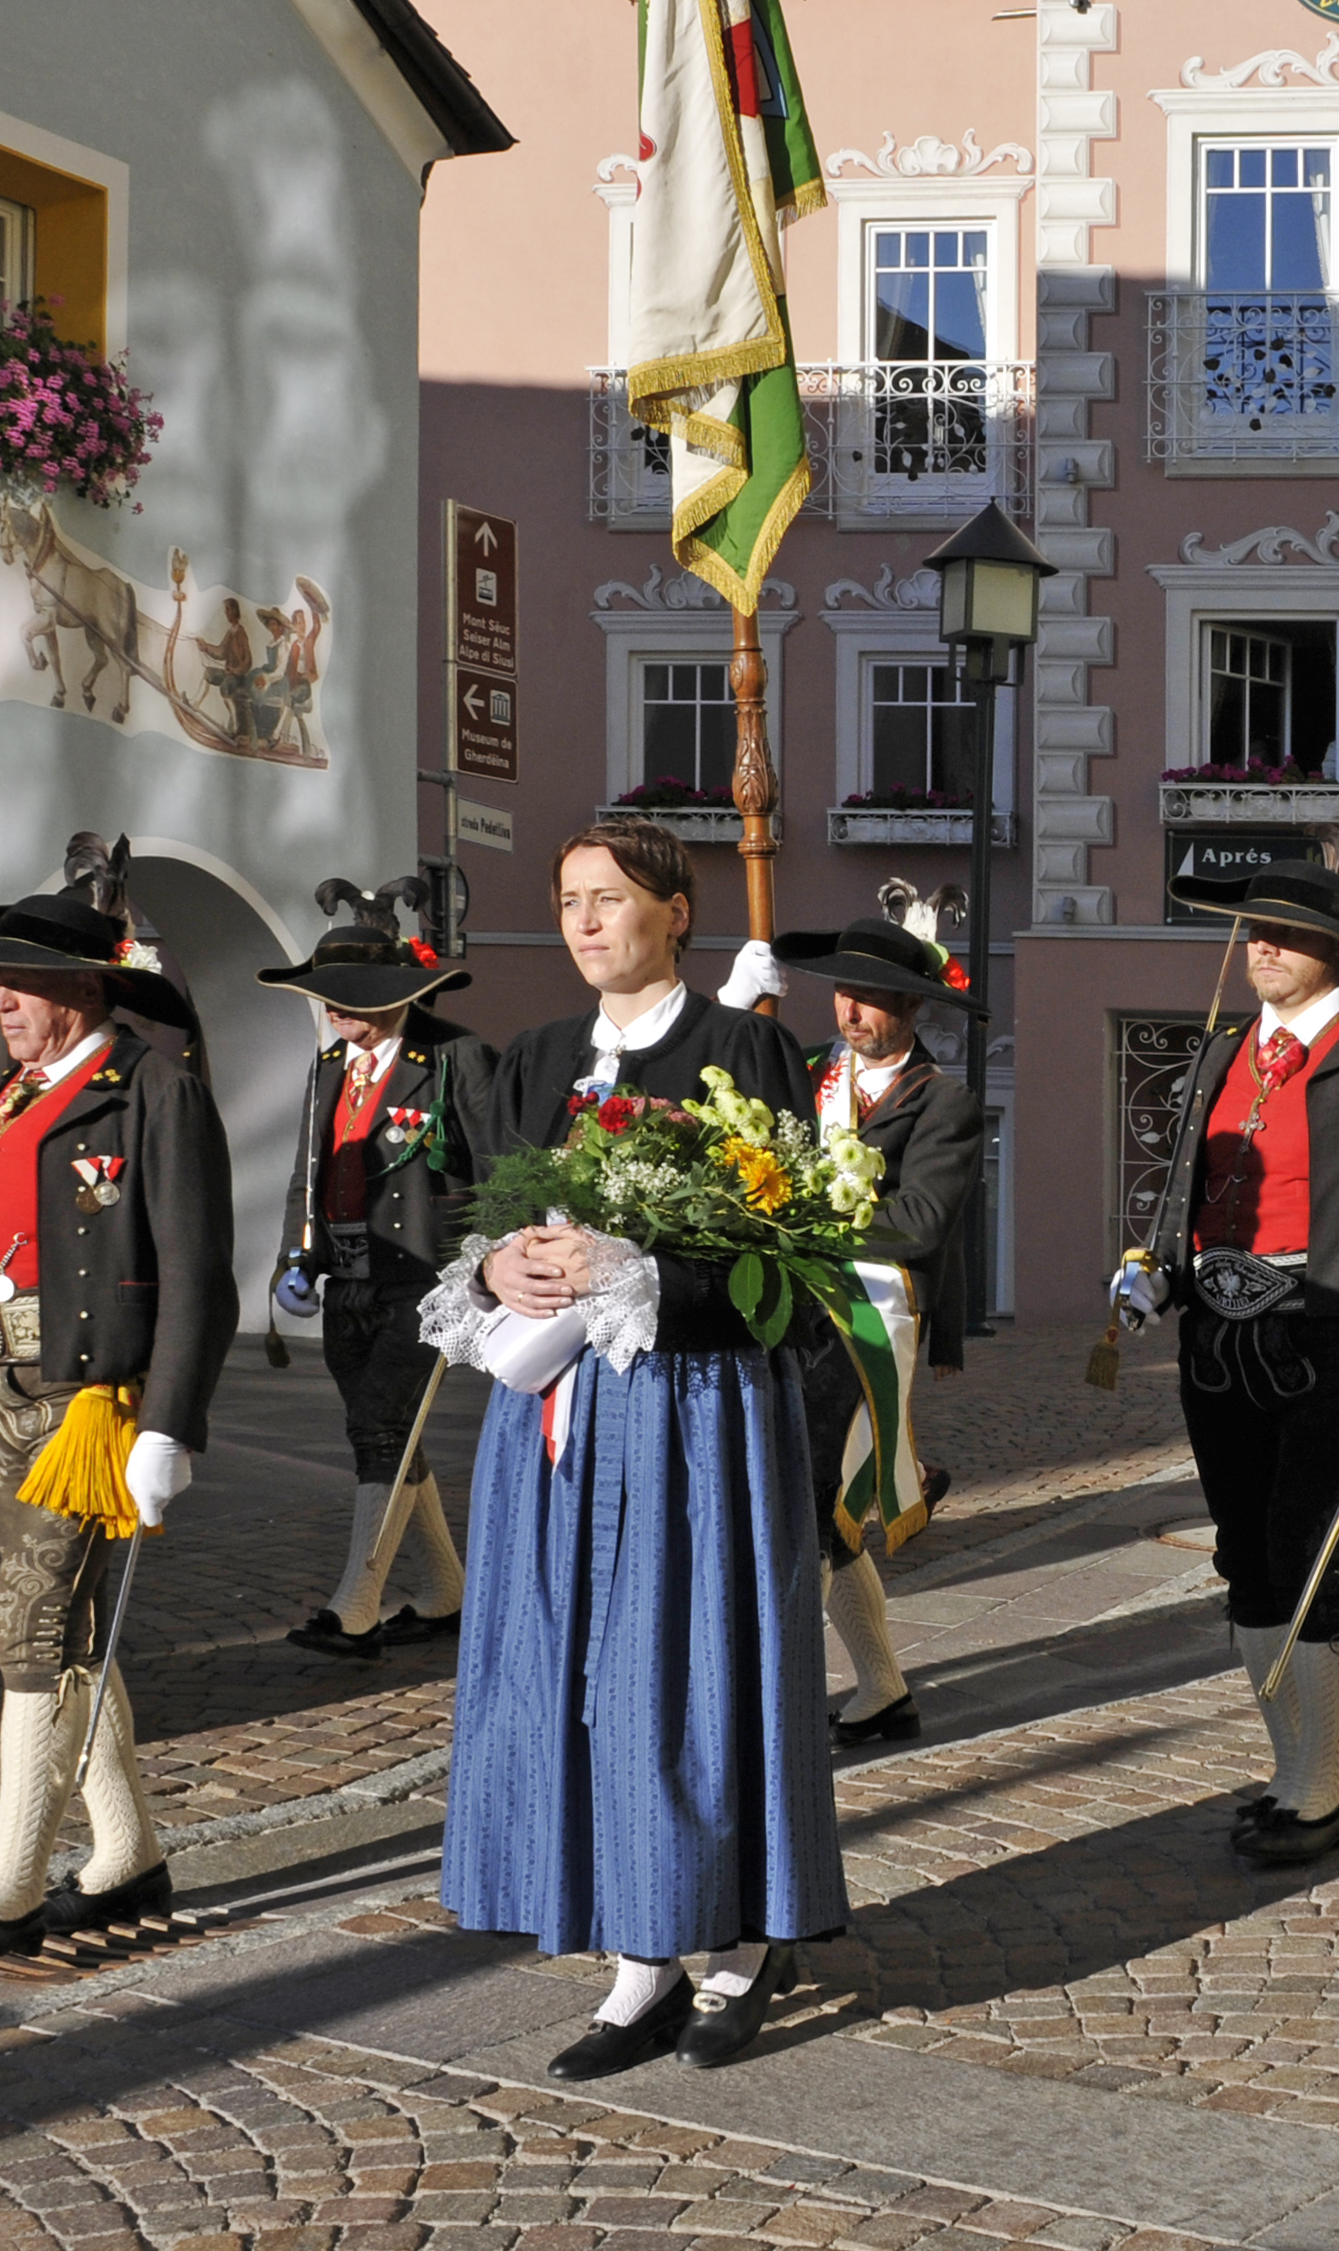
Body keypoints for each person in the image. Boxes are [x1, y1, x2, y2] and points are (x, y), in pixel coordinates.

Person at [433, 817, 841, 2078]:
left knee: (690, 1668)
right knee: (575, 1676)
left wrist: (641, 1267)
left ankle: (733, 1946)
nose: (585, 922)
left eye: (610, 899)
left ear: (677, 911)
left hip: (694, 1410)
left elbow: (788, 1256)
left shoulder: (747, 1051)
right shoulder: (536, 1059)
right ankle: (634, 1958)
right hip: (553, 1421)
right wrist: (495, 1263)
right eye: (568, 901)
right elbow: (480, 1211)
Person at [1112, 835, 1339, 1865]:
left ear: (1336, 946)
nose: (1261, 946)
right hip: (1217, 1340)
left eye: (1286, 932)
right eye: (1254, 930)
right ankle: (1291, 1766)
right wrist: (1155, 1274)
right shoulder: (1222, 1051)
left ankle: (1322, 1786)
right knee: (1245, 1557)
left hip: (1336, 1335)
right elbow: (1187, 1190)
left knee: (1312, 1555)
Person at [0, 835, 236, 1954]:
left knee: (31, 1619)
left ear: (85, 989)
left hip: (87, 1400)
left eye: (26, 980)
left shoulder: (148, 1090)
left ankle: (9, 1882)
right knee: (71, 1618)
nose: (3, 999)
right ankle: (130, 1853)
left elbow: (197, 1271)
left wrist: (172, 1423)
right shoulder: (5, 1100)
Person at [262, 875, 497, 1663]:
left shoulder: (457, 1056)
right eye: (329, 996)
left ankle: (354, 1604)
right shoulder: (328, 1065)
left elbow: (500, 1172)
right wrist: (296, 1257)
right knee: (389, 1437)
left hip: (425, 1279)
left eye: (352, 995)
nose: (337, 1009)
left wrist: (484, 1268)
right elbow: (308, 1167)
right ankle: (445, 1591)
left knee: (378, 1424)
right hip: (347, 1278)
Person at [771, 906, 982, 1749]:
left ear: (913, 1008)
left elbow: (922, 1219)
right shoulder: (806, 1080)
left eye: (874, 998)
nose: (852, 1011)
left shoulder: (947, 1102)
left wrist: (806, 1218)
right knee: (814, 1506)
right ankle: (885, 1689)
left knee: (802, 1493)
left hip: (869, 1312)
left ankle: (778, 1696)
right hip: (791, 1304)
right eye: (843, 993)